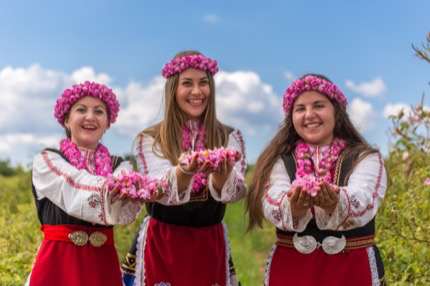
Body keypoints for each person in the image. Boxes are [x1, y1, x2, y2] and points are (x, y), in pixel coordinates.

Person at [246, 74, 387, 286]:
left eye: (319, 105)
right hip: (292, 271)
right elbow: (273, 198)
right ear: (291, 118)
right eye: (300, 108)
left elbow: (364, 197)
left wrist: (336, 201)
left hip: (351, 271)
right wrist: (293, 205)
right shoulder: (279, 161)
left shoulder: (365, 158)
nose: (309, 114)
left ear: (336, 112)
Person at [121, 50, 247, 286]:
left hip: (209, 244)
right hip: (163, 244)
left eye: (203, 83)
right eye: (187, 83)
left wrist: (222, 175)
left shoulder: (229, 136)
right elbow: (158, 188)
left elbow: (236, 191)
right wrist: (184, 172)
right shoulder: (151, 138)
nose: (197, 91)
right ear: (173, 90)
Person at [27, 81, 146, 286]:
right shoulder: (48, 161)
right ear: (66, 120)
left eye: (99, 111)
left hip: (102, 265)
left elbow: (122, 208)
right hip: (58, 265)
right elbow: (75, 187)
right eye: (81, 109)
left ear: (108, 122)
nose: (90, 117)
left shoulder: (121, 165)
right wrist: (117, 188)